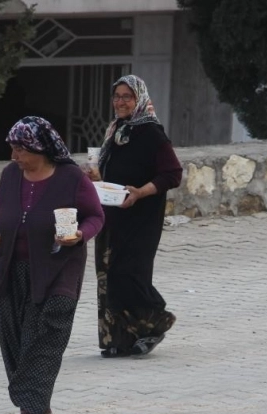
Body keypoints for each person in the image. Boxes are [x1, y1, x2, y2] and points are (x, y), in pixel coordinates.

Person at [0, 116, 105, 414]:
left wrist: (80, 235)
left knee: (45, 337)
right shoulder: (11, 176)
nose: (14, 157)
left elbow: (96, 216)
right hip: (13, 270)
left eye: (20, 150)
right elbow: (0, 214)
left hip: (58, 269)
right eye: (12, 150)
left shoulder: (72, 179)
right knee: (16, 340)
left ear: (40, 148)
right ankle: (42, 409)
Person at [84, 75, 182, 358]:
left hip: (141, 218)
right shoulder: (117, 130)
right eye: (117, 96)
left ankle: (155, 323)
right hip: (112, 214)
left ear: (139, 98)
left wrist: (141, 192)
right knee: (109, 276)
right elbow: (116, 174)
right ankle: (119, 340)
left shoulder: (151, 132)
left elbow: (172, 174)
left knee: (131, 274)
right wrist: (97, 176)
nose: (121, 102)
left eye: (127, 96)